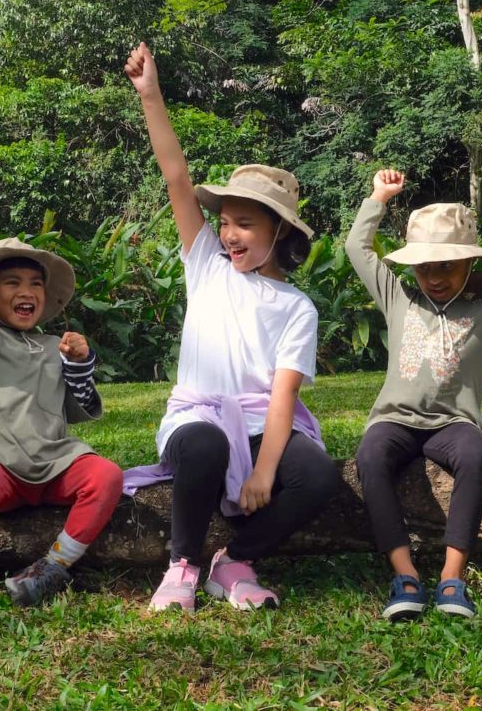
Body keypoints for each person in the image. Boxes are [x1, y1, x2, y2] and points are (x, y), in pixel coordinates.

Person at [121, 43, 338, 612]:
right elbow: (175, 175)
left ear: (280, 233)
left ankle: (235, 560)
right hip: (199, 414)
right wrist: (151, 95)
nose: (231, 234)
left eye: (245, 222)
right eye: (225, 222)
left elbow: (283, 393)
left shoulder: (297, 307)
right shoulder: (207, 267)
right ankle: (183, 564)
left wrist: (266, 470)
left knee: (316, 474)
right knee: (203, 445)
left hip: (260, 419)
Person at [346, 168, 482, 620]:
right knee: (370, 456)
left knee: (476, 456)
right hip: (395, 419)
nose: (434, 277)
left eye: (447, 265)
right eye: (424, 266)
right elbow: (356, 249)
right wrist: (378, 197)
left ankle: (451, 578)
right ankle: (404, 575)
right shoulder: (399, 297)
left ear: (469, 263)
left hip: (453, 424)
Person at [0, 182, 123, 606]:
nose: (25, 290)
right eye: (11, 281)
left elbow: (81, 405)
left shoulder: (55, 345)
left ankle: (53, 567)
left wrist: (78, 364)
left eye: (34, 282)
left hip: (55, 459)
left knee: (107, 476)